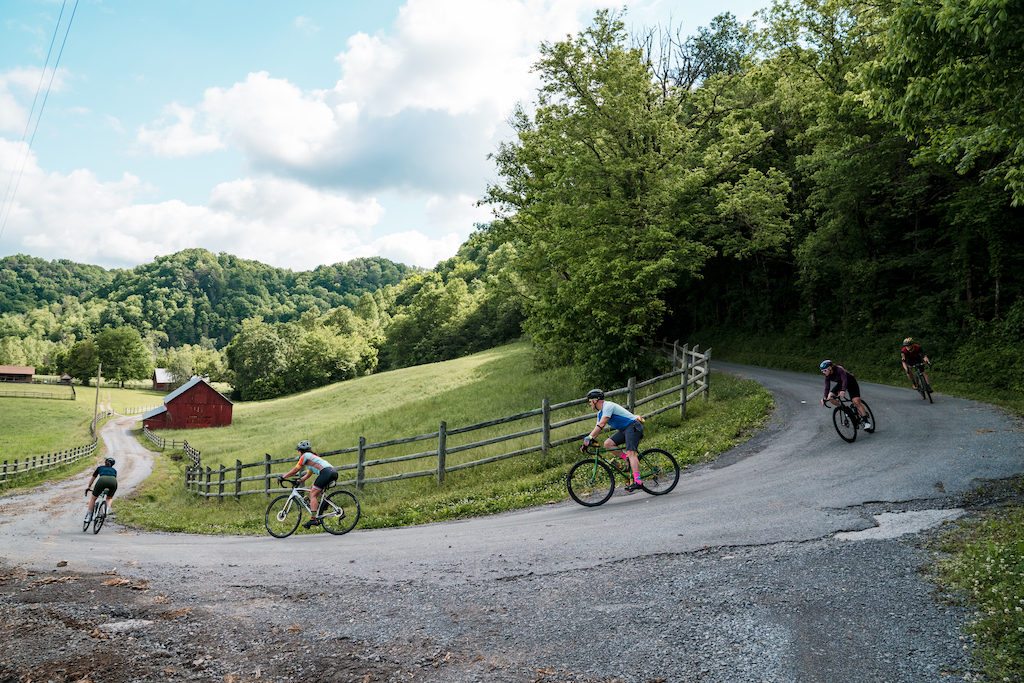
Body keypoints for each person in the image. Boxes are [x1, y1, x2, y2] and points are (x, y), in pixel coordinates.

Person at [581, 389, 646, 491]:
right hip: (625, 429)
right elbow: (597, 430)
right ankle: (627, 458)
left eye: (590, 401)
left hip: (633, 426)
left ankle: (638, 481)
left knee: (631, 453)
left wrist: (589, 437)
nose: (590, 404)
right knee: (608, 444)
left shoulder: (608, 406)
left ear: (595, 400)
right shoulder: (600, 413)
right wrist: (586, 443)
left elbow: (602, 424)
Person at [278, 441, 337, 528]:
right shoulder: (312, 458)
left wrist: (283, 477)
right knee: (313, 486)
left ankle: (313, 519)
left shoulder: (305, 456)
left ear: (300, 451)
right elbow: (307, 475)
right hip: (332, 472)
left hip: (326, 472)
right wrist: (299, 481)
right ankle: (326, 502)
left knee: (312, 494)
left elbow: (295, 470)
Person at [820, 360, 872, 431]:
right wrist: (824, 398)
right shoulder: (827, 376)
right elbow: (827, 387)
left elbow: (844, 380)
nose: (824, 372)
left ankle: (866, 421)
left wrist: (843, 390)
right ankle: (846, 409)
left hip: (851, 383)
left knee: (856, 402)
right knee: (830, 397)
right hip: (840, 384)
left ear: (830, 368)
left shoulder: (839, 370)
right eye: (822, 371)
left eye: (825, 370)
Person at [85, 457, 117, 524]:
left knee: (93, 498)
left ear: (105, 463)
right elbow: (112, 478)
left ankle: (88, 516)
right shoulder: (114, 470)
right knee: (109, 498)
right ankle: (106, 510)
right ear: (112, 465)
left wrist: (88, 487)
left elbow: (92, 479)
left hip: (102, 480)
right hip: (113, 482)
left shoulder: (100, 468)